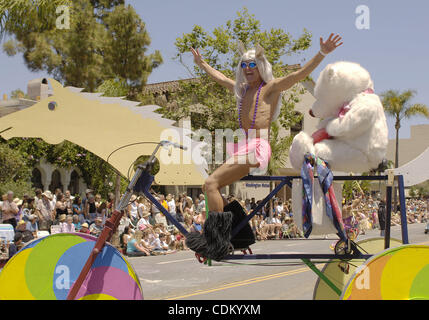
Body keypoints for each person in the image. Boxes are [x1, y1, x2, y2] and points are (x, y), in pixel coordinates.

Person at [191, 34, 343, 215]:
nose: (248, 68)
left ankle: (217, 238)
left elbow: (298, 75)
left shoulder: (270, 88)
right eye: (244, 65)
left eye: (252, 64)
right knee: (207, 187)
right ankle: (236, 229)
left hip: (257, 148)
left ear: (261, 66)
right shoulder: (241, 89)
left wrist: (322, 53)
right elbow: (221, 78)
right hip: (244, 147)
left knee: (211, 184)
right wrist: (202, 64)